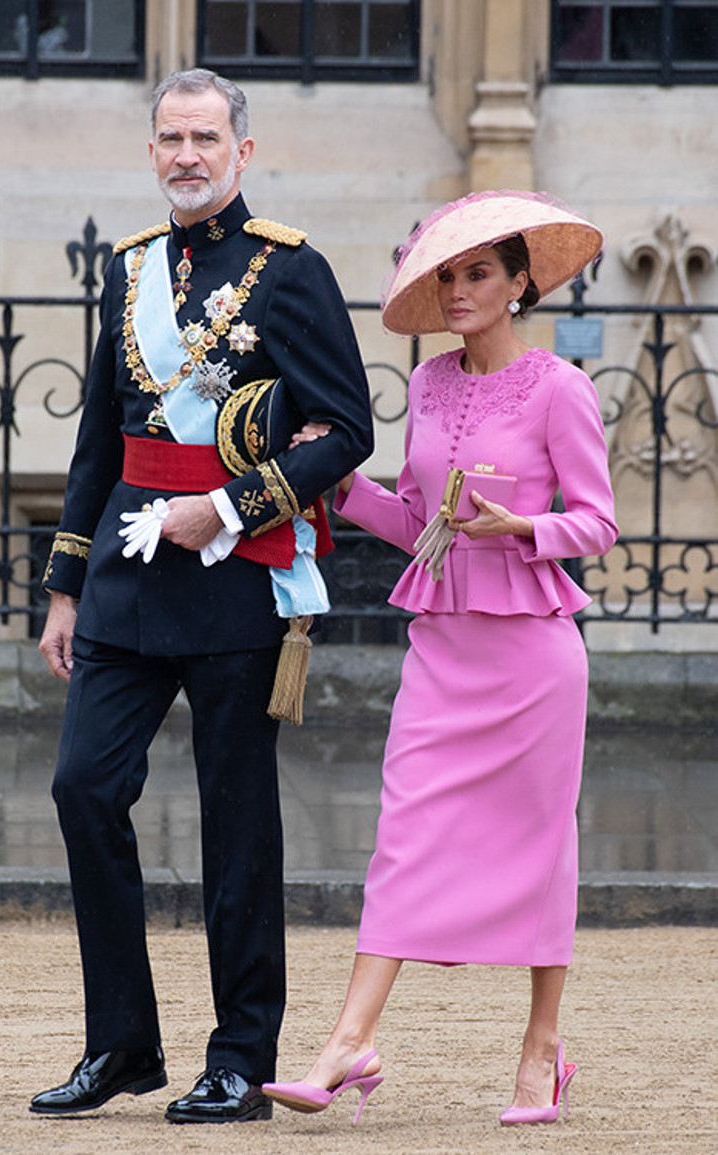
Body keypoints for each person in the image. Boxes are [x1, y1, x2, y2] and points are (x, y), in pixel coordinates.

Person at [30, 68, 373, 1124]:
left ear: (241, 150)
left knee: (236, 829)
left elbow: (348, 429)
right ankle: (123, 1045)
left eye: (205, 137)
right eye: (170, 138)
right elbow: (100, 439)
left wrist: (228, 509)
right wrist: (64, 587)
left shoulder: (291, 269)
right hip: (128, 589)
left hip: (236, 587)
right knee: (84, 791)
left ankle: (238, 1058)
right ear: (151, 152)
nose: (187, 155)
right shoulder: (129, 268)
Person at [262, 190, 618, 1127]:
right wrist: (342, 484)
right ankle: (347, 1041)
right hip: (442, 650)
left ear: (518, 285)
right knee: (404, 837)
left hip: (534, 661)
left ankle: (542, 1051)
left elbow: (598, 523)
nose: (459, 290)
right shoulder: (426, 385)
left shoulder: (559, 387)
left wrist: (524, 527)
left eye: (478, 274)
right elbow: (421, 523)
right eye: (448, 275)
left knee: (542, 850)